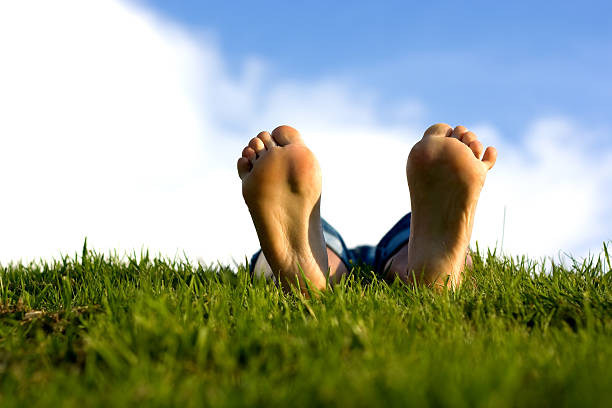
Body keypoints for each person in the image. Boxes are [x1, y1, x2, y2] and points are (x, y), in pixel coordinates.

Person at [237, 123, 497, 293]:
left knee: (321, 238)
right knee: (409, 232)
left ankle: (315, 269)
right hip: (402, 245)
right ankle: (430, 270)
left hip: (327, 249)